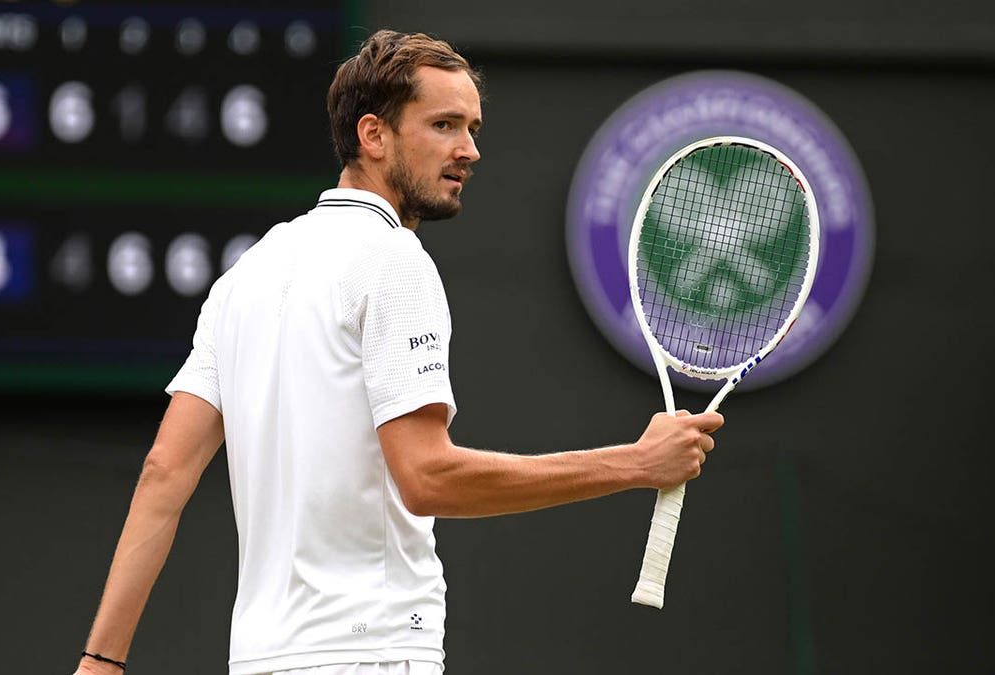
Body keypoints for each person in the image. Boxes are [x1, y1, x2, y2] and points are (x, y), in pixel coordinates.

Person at [72, 29, 724, 675]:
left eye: (472, 127)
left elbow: (165, 472)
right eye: (444, 124)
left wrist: (101, 658)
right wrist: (633, 463)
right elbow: (426, 476)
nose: (469, 149)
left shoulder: (250, 271)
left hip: (263, 660)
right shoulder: (393, 259)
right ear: (373, 136)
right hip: (373, 651)